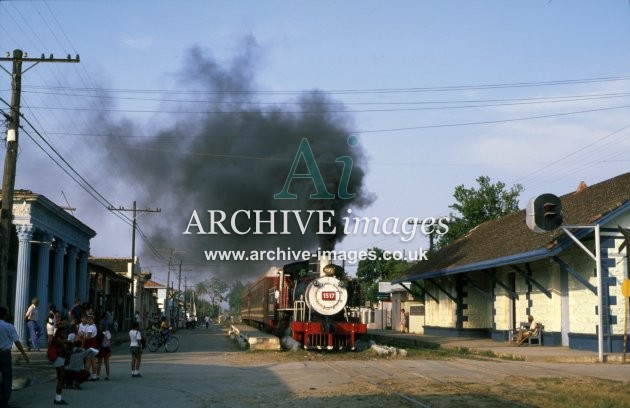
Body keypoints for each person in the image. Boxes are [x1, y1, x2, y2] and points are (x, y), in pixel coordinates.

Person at [0, 307, 29, 407]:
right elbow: (17, 341)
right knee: (7, 377)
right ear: (4, 315)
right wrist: (24, 354)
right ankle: (4, 401)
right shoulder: (9, 326)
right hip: (5, 353)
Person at [51, 326, 70, 405]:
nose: (65, 334)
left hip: (60, 359)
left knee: (61, 379)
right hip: (59, 359)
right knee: (61, 379)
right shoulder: (59, 340)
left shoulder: (58, 339)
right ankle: (58, 399)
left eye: (66, 333)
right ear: (59, 333)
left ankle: (58, 398)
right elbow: (66, 350)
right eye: (63, 333)